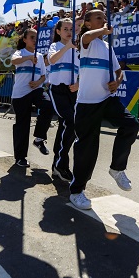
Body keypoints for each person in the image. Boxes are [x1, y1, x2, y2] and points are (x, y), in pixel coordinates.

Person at [69, 9, 139, 211]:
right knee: (87, 151)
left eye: (104, 17)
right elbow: (88, 36)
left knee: (131, 124)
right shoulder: (87, 40)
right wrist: (103, 30)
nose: (103, 20)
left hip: (107, 100)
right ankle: (77, 191)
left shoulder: (108, 47)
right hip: (86, 104)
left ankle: (117, 168)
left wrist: (117, 82)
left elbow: (119, 72)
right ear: (89, 23)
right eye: (98, 17)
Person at [10, 28, 54, 167]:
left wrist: (38, 83)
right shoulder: (20, 53)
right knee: (22, 125)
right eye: (31, 37)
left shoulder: (40, 56)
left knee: (48, 106)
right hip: (20, 93)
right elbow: (14, 61)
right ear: (24, 40)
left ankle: (39, 138)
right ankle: (20, 157)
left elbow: (43, 75)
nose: (34, 40)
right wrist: (29, 58)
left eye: (36, 38)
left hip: (36, 90)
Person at [47, 18, 80, 183]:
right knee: (70, 121)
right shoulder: (55, 46)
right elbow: (52, 60)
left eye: (71, 29)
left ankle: (58, 166)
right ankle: (60, 165)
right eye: (65, 29)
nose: (69, 32)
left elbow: (82, 70)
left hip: (72, 91)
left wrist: (78, 84)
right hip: (58, 90)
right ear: (58, 31)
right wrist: (67, 46)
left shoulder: (77, 50)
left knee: (66, 127)